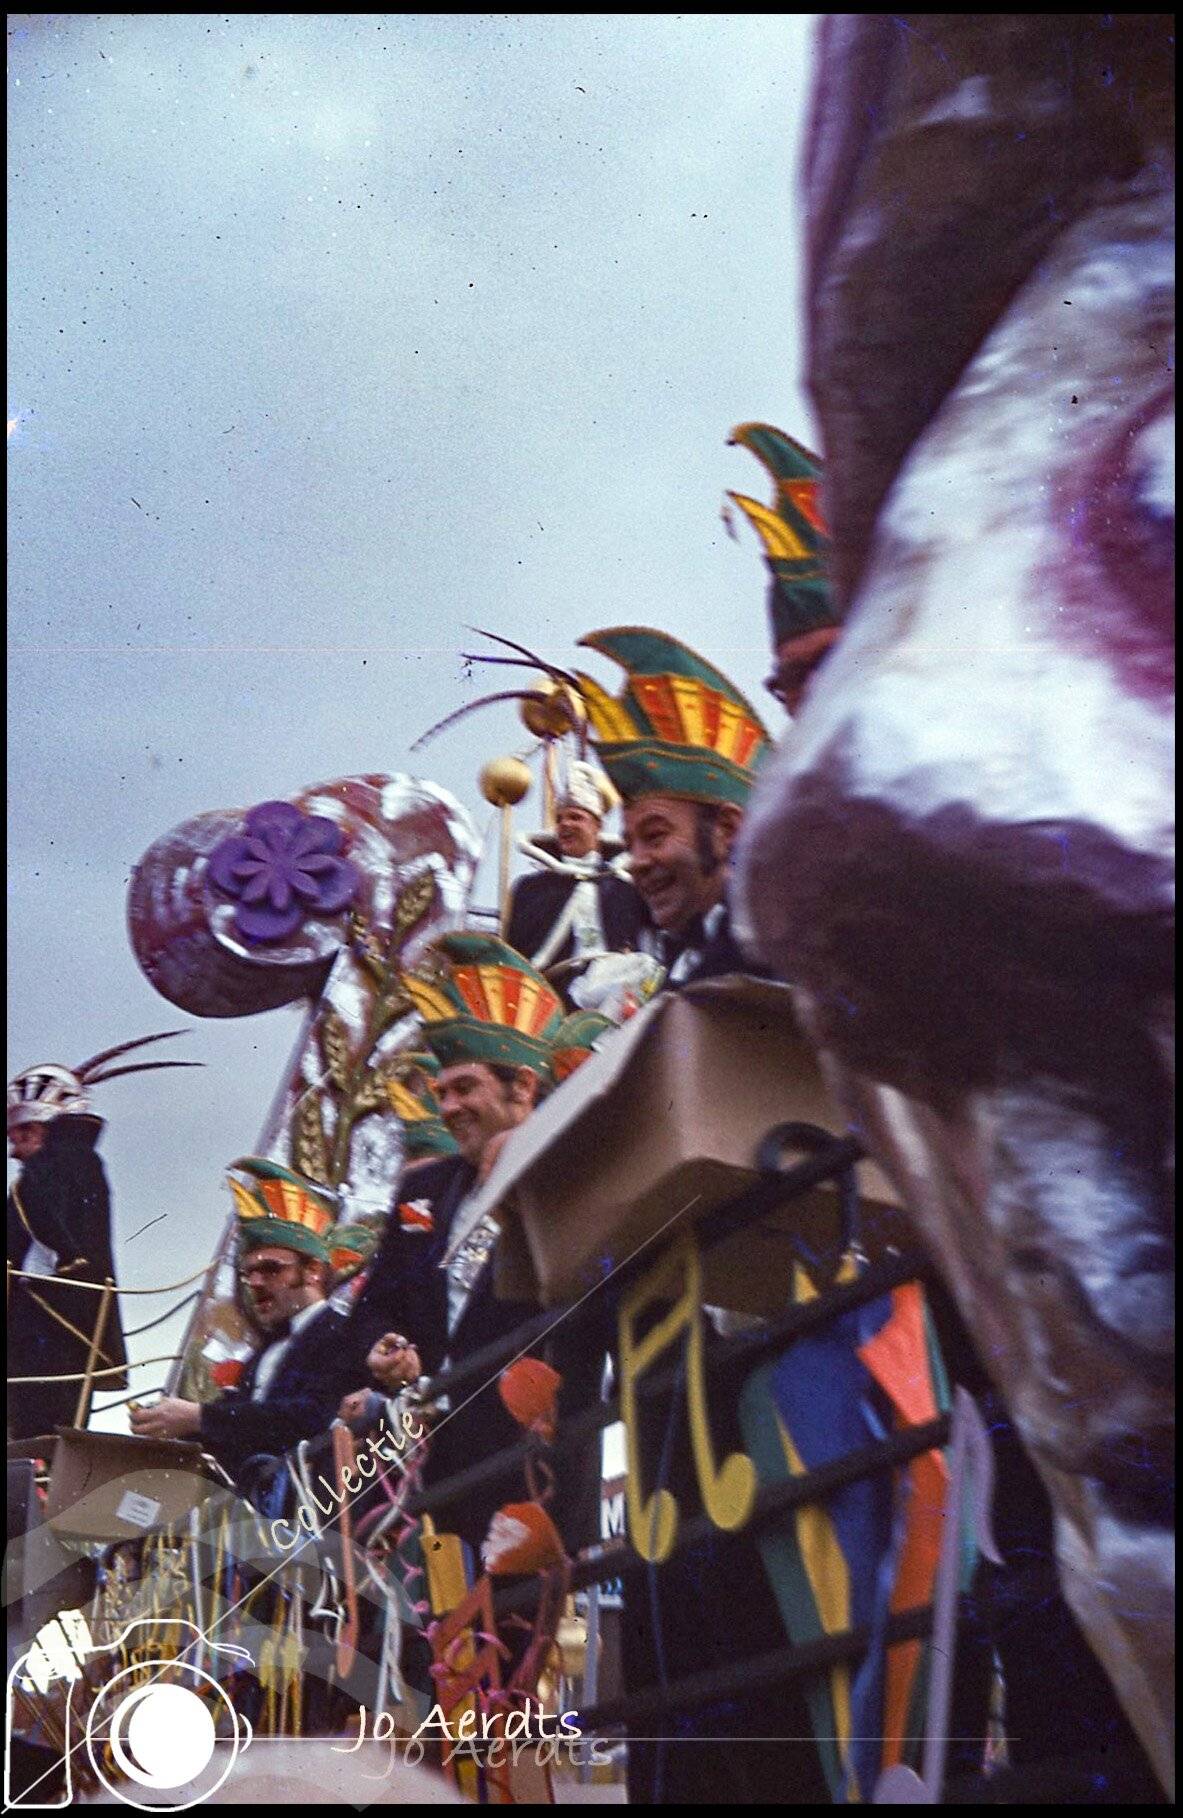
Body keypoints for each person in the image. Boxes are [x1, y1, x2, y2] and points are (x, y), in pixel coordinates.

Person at [345, 932, 601, 1565]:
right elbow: (377, 1305)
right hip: (433, 1483)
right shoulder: (425, 1190)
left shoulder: (570, 1172)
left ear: (522, 1087)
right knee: (440, 1626)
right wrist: (384, 1346)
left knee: (521, 1625)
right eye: (443, 1094)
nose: (449, 1107)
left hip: (535, 1474)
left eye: (465, 1088)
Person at [131, 1158, 370, 1488]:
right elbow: (242, 1423)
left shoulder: (343, 1332)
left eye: (271, 1269)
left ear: (313, 1271)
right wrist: (168, 1426)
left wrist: (198, 1417)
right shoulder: (266, 1352)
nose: (255, 1283)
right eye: (248, 1272)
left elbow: (312, 1416)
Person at [7, 1033, 196, 1440]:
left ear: (47, 1126)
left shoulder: (57, 1169)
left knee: (38, 1431)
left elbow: (48, 1229)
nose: (14, 1149)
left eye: (23, 1133)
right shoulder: (76, 1165)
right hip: (56, 1322)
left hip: (48, 1324)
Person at [572, 626, 775, 990]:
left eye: (654, 836)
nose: (635, 862)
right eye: (630, 844)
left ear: (727, 829)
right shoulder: (685, 962)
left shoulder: (784, 949)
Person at [504, 758, 651, 1003]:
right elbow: (513, 954)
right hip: (550, 996)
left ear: (597, 826)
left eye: (575, 817)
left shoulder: (626, 887)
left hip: (618, 994)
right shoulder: (532, 889)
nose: (565, 825)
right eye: (560, 819)